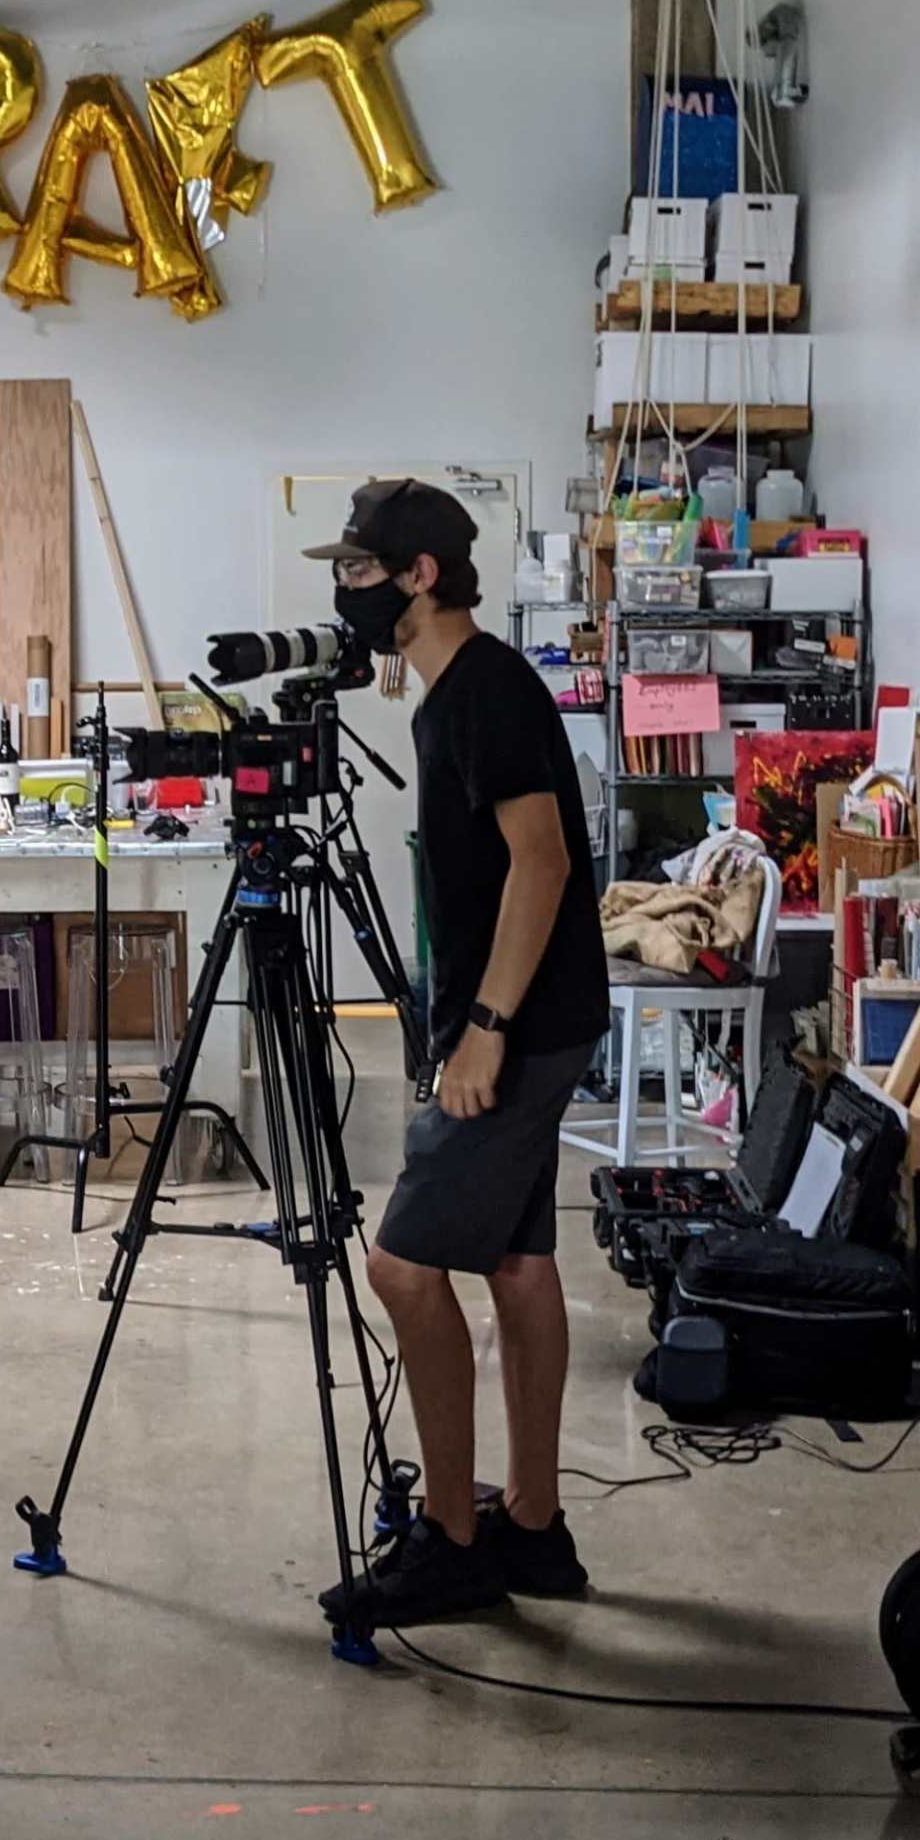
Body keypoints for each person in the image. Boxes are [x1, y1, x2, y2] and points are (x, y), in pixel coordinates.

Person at [306, 478, 608, 1629]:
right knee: (520, 1267)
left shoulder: (484, 693)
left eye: (361, 573)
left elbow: (543, 863)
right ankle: (533, 1525)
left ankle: (455, 1538)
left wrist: (482, 1031)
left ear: (420, 575)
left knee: (402, 1266)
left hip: (518, 1030)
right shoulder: (454, 694)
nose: (347, 594)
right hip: (533, 1016)